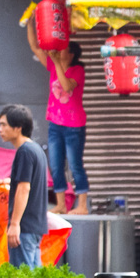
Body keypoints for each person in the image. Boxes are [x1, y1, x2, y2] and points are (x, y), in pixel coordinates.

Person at [26, 19, 90, 215]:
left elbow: (66, 86)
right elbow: (35, 47)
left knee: (75, 164)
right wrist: (30, 23)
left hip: (74, 126)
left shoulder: (78, 70)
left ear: (71, 54)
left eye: (63, 50)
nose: (58, 52)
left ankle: (82, 206)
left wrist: (55, 62)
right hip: (55, 124)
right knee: (55, 165)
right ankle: (61, 204)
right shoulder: (54, 67)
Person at [0, 104, 49, 269]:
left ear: (18, 128)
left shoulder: (25, 151)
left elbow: (24, 188)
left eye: (4, 125)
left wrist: (14, 224)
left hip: (24, 228)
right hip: (34, 227)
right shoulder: (36, 150)